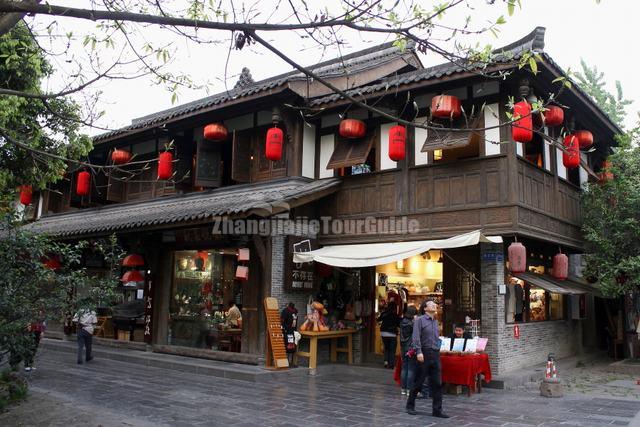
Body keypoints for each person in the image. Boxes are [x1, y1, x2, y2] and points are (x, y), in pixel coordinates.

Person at [406, 300, 449, 419]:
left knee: (437, 383)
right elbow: (416, 337)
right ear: (425, 308)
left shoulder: (435, 321)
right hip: (423, 353)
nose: (434, 304)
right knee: (418, 382)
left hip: (435, 354)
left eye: (435, 303)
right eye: (431, 303)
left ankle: (437, 410)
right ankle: (410, 406)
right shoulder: (419, 320)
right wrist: (418, 352)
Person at [399, 305, 417, 395]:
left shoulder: (402, 322)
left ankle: (403, 389)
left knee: (404, 368)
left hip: (403, 347)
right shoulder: (412, 324)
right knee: (411, 368)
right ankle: (409, 389)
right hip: (410, 348)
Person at [377, 302, 400, 368]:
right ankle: (391, 364)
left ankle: (386, 362)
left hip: (383, 333)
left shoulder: (384, 313)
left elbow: (378, 320)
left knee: (386, 348)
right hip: (392, 334)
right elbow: (398, 324)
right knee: (392, 350)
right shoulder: (395, 315)